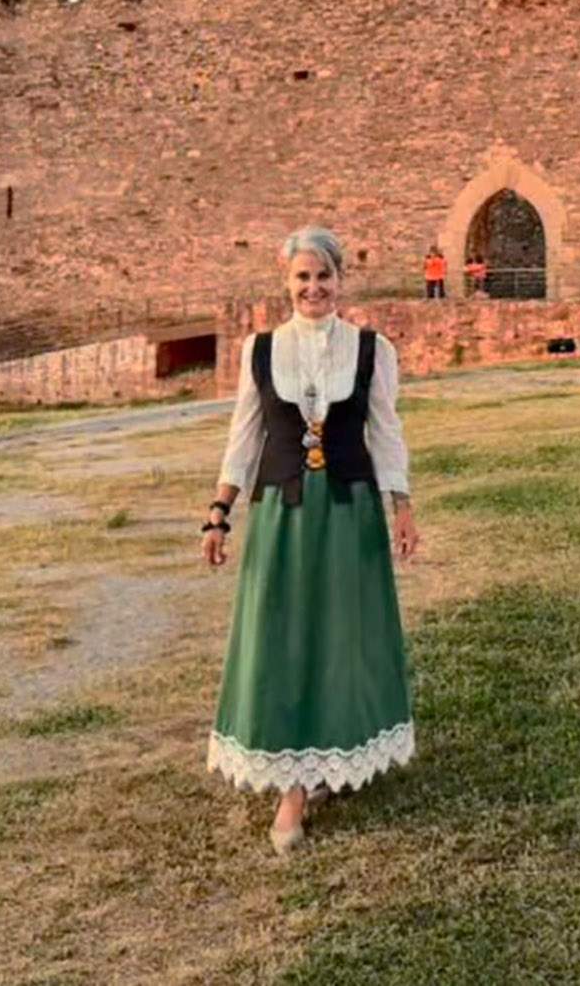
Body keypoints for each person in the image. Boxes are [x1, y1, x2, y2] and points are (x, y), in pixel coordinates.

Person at [201, 226, 419, 855]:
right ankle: (292, 785)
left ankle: (327, 756)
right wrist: (219, 512)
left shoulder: (371, 350)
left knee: (342, 634)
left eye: (324, 276)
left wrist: (402, 506)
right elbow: (245, 439)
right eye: (302, 277)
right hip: (283, 514)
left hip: (349, 512)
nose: (314, 288)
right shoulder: (262, 350)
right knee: (283, 633)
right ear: (286, 282)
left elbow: (385, 432)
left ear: (340, 280)